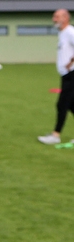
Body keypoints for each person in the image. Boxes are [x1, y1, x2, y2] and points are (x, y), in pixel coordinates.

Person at [39, 8, 74, 144]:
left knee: (61, 105)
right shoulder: (63, 34)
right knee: (71, 105)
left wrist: (71, 62)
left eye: (57, 17)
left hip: (72, 74)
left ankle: (55, 135)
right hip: (66, 75)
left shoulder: (70, 32)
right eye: (54, 16)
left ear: (65, 18)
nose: (54, 19)